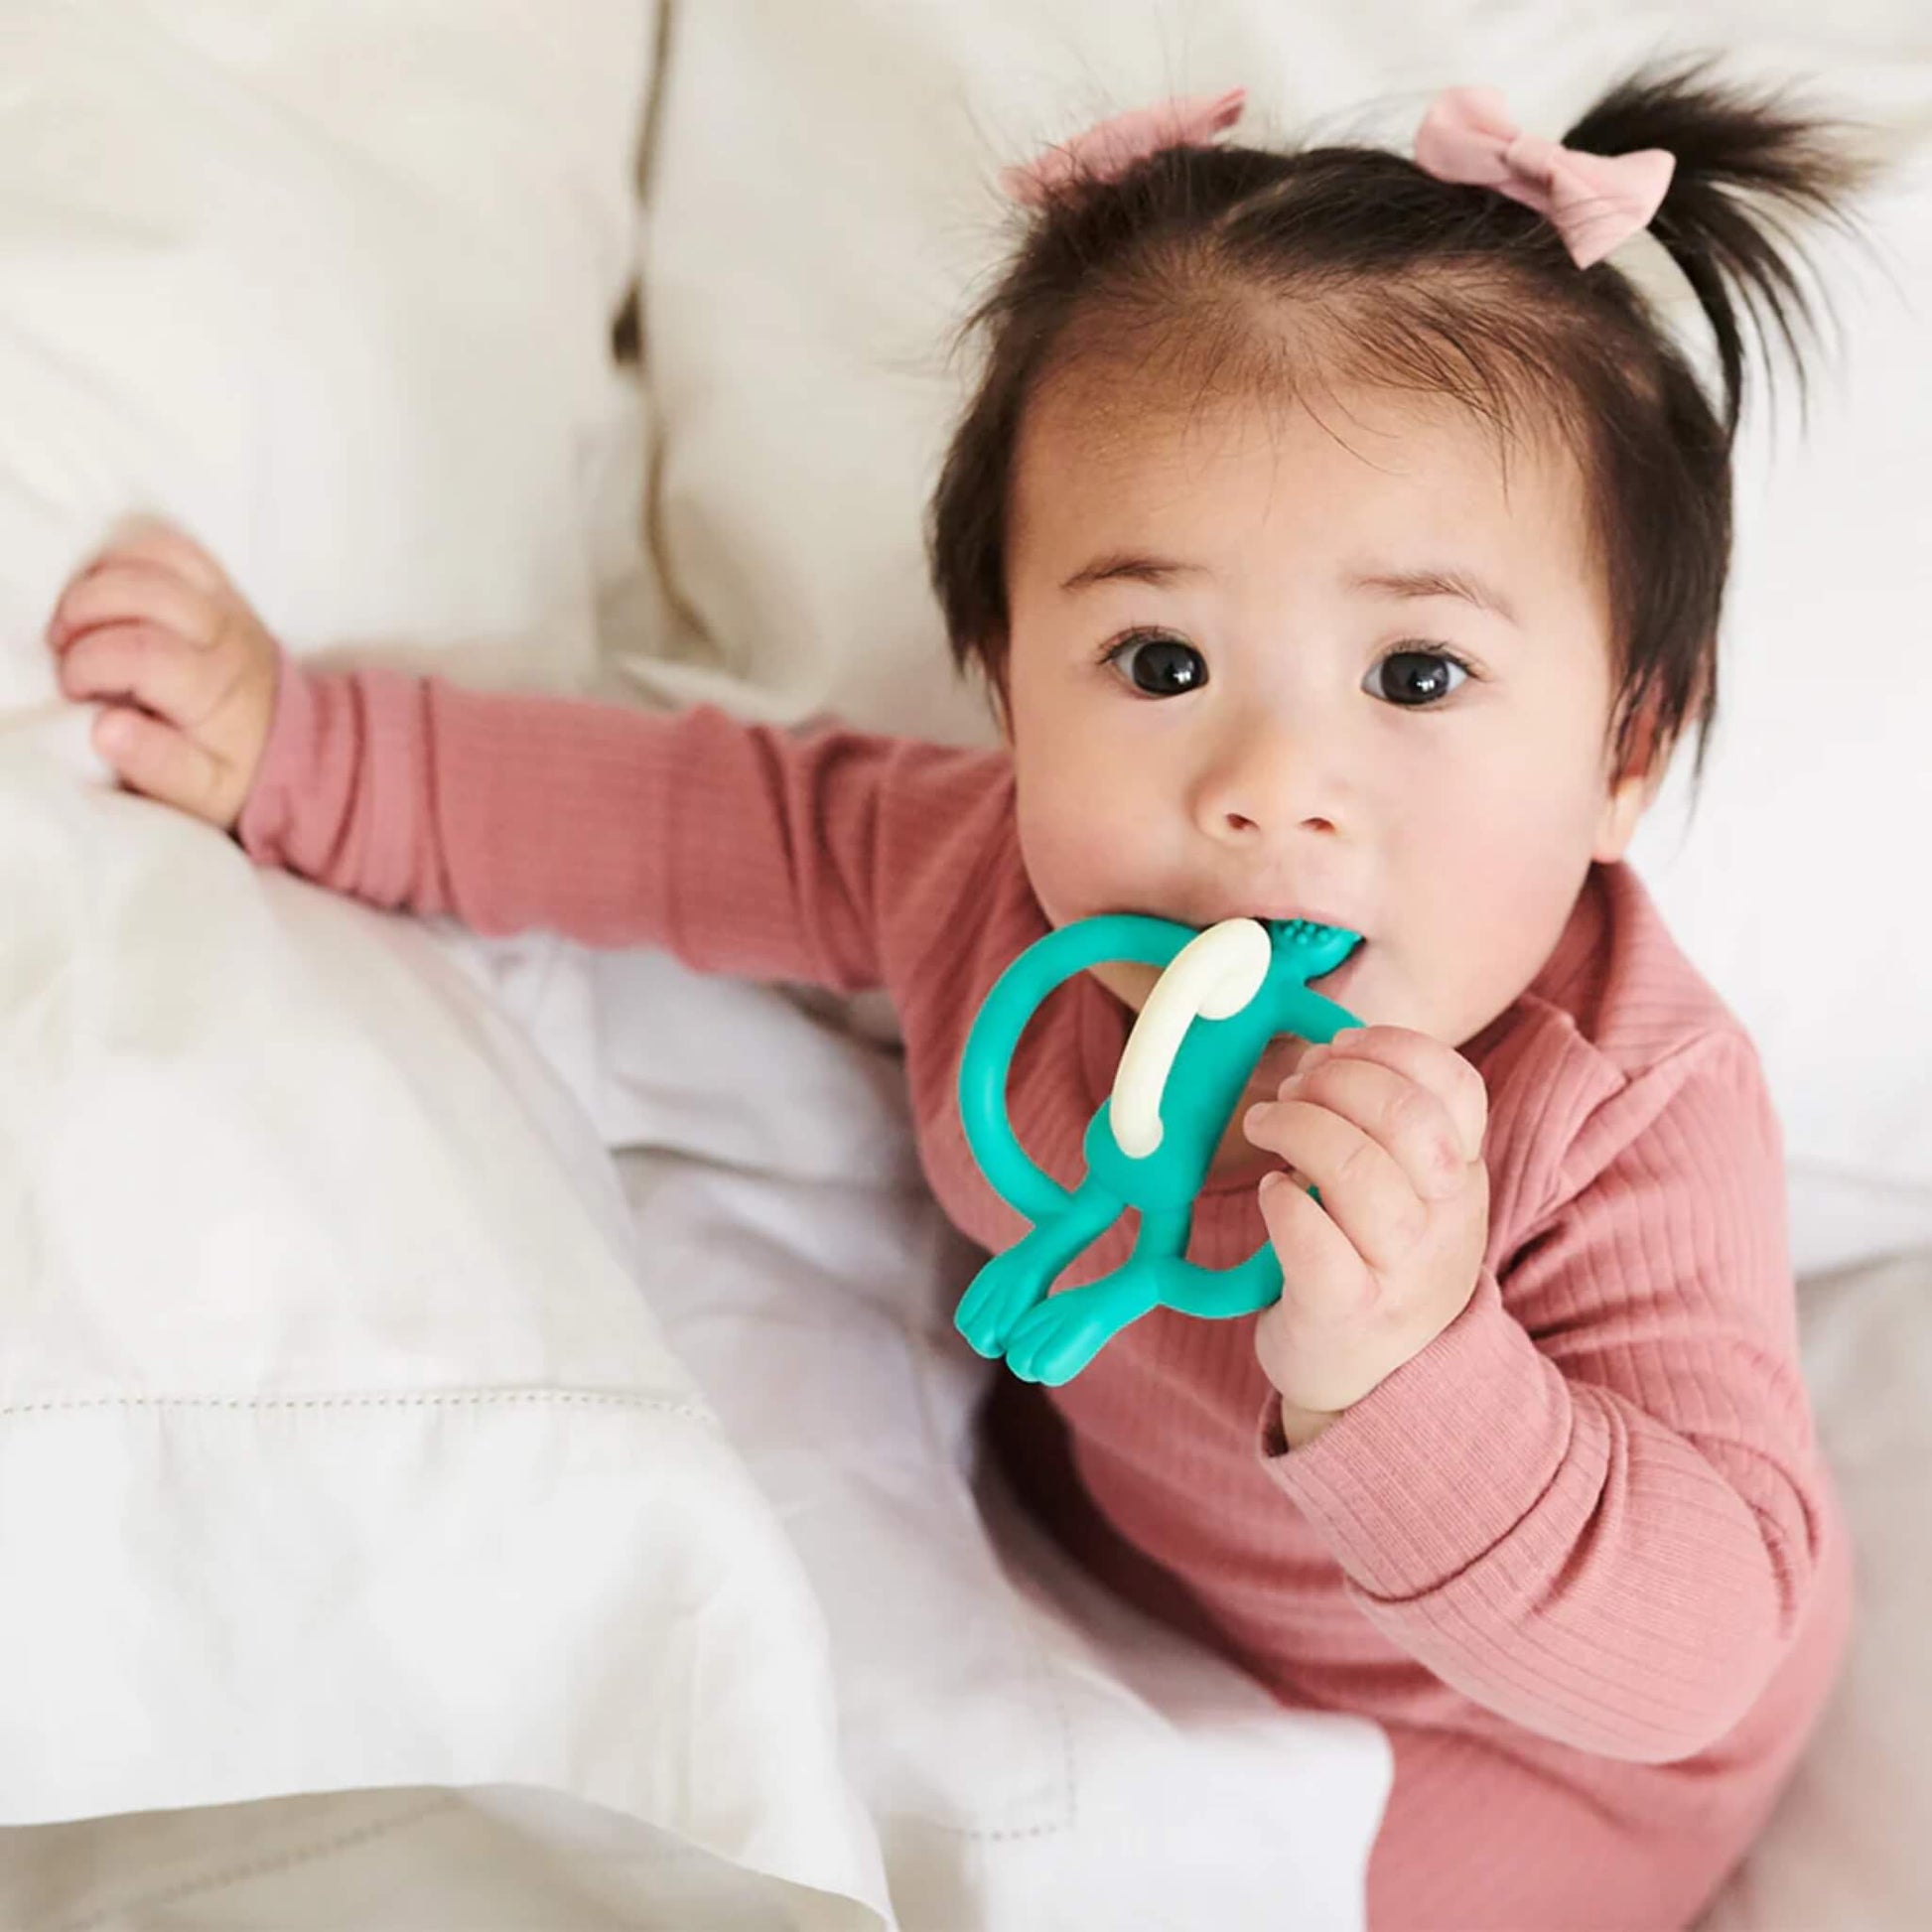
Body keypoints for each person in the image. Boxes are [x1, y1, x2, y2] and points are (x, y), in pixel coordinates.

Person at [46, 55, 1879, 1930]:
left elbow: (1693, 1646)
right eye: (1158, 657)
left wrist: (1415, 1371)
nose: (1265, 777)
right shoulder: (984, 885)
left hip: (1509, 1741)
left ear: (1624, 748)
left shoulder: (1619, 1110)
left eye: (1413, 678)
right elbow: (687, 824)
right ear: (1008, 686)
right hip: (1111, 1566)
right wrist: (309, 747)